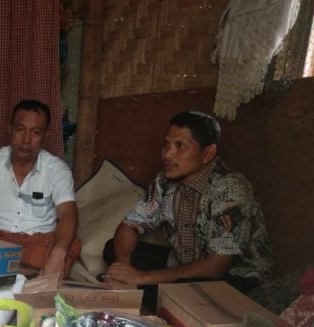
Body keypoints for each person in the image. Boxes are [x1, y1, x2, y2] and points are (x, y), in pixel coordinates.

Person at [102, 110, 273, 309]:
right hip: (183, 265)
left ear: (207, 153)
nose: (168, 154)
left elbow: (215, 267)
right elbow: (129, 226)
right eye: (166, 144)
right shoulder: (164, 181)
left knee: (201, 295)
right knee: (113, 248)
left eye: (180, 146)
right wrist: (123, 269)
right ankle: (145, 292)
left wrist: (141, 277)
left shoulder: (230, 190)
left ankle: (149, 294)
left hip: (233, 279)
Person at [0, 99, 80, 278]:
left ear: (46, 135)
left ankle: (1, 272)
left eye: (36, 132)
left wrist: (58, 254)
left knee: (68, 245)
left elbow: (68, 213)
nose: (26, 140)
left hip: (37, 243)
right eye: (20, 130)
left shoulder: (57, 170)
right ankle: (15, 274)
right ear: (10, 130)